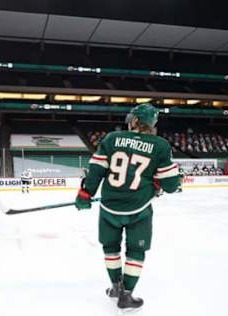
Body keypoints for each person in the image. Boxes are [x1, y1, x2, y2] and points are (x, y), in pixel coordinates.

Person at [75, 104, 182, 311]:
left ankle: (115, 286)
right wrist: (172, 180)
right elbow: (170, 186)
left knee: (110, 248)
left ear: (134, 121)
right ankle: (126, 294)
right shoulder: (160, 145)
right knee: (136, 251)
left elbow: (96, 170)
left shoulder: (112, 139)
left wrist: (86, 194)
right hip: (139, 209)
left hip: (109, 208)